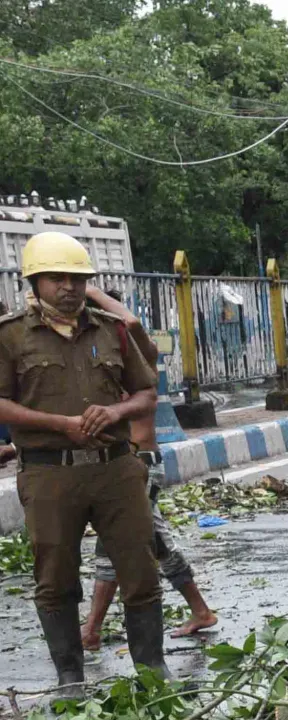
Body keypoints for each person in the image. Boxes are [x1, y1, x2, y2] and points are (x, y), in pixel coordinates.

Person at [0, 231, 167, 684]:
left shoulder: (110, 329)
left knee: (140, 572)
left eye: (77, 278)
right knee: (55, 580)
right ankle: (70, 677)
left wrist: (115, 410)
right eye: (57, 279)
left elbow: (147, 393)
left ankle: (153, 670)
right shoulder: (12, 336)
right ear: (34, 282)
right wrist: (62, 425)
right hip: (50, 474)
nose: (69, 287)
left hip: (116, 468)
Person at [77, 283, 215, 646]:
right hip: (117, 462)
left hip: (140, 463)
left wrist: (92, 291)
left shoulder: (138, 350)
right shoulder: (93, 358)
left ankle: (90, 629)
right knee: (154, 542)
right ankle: (200, 611)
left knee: (113, 543)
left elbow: (133, 322)